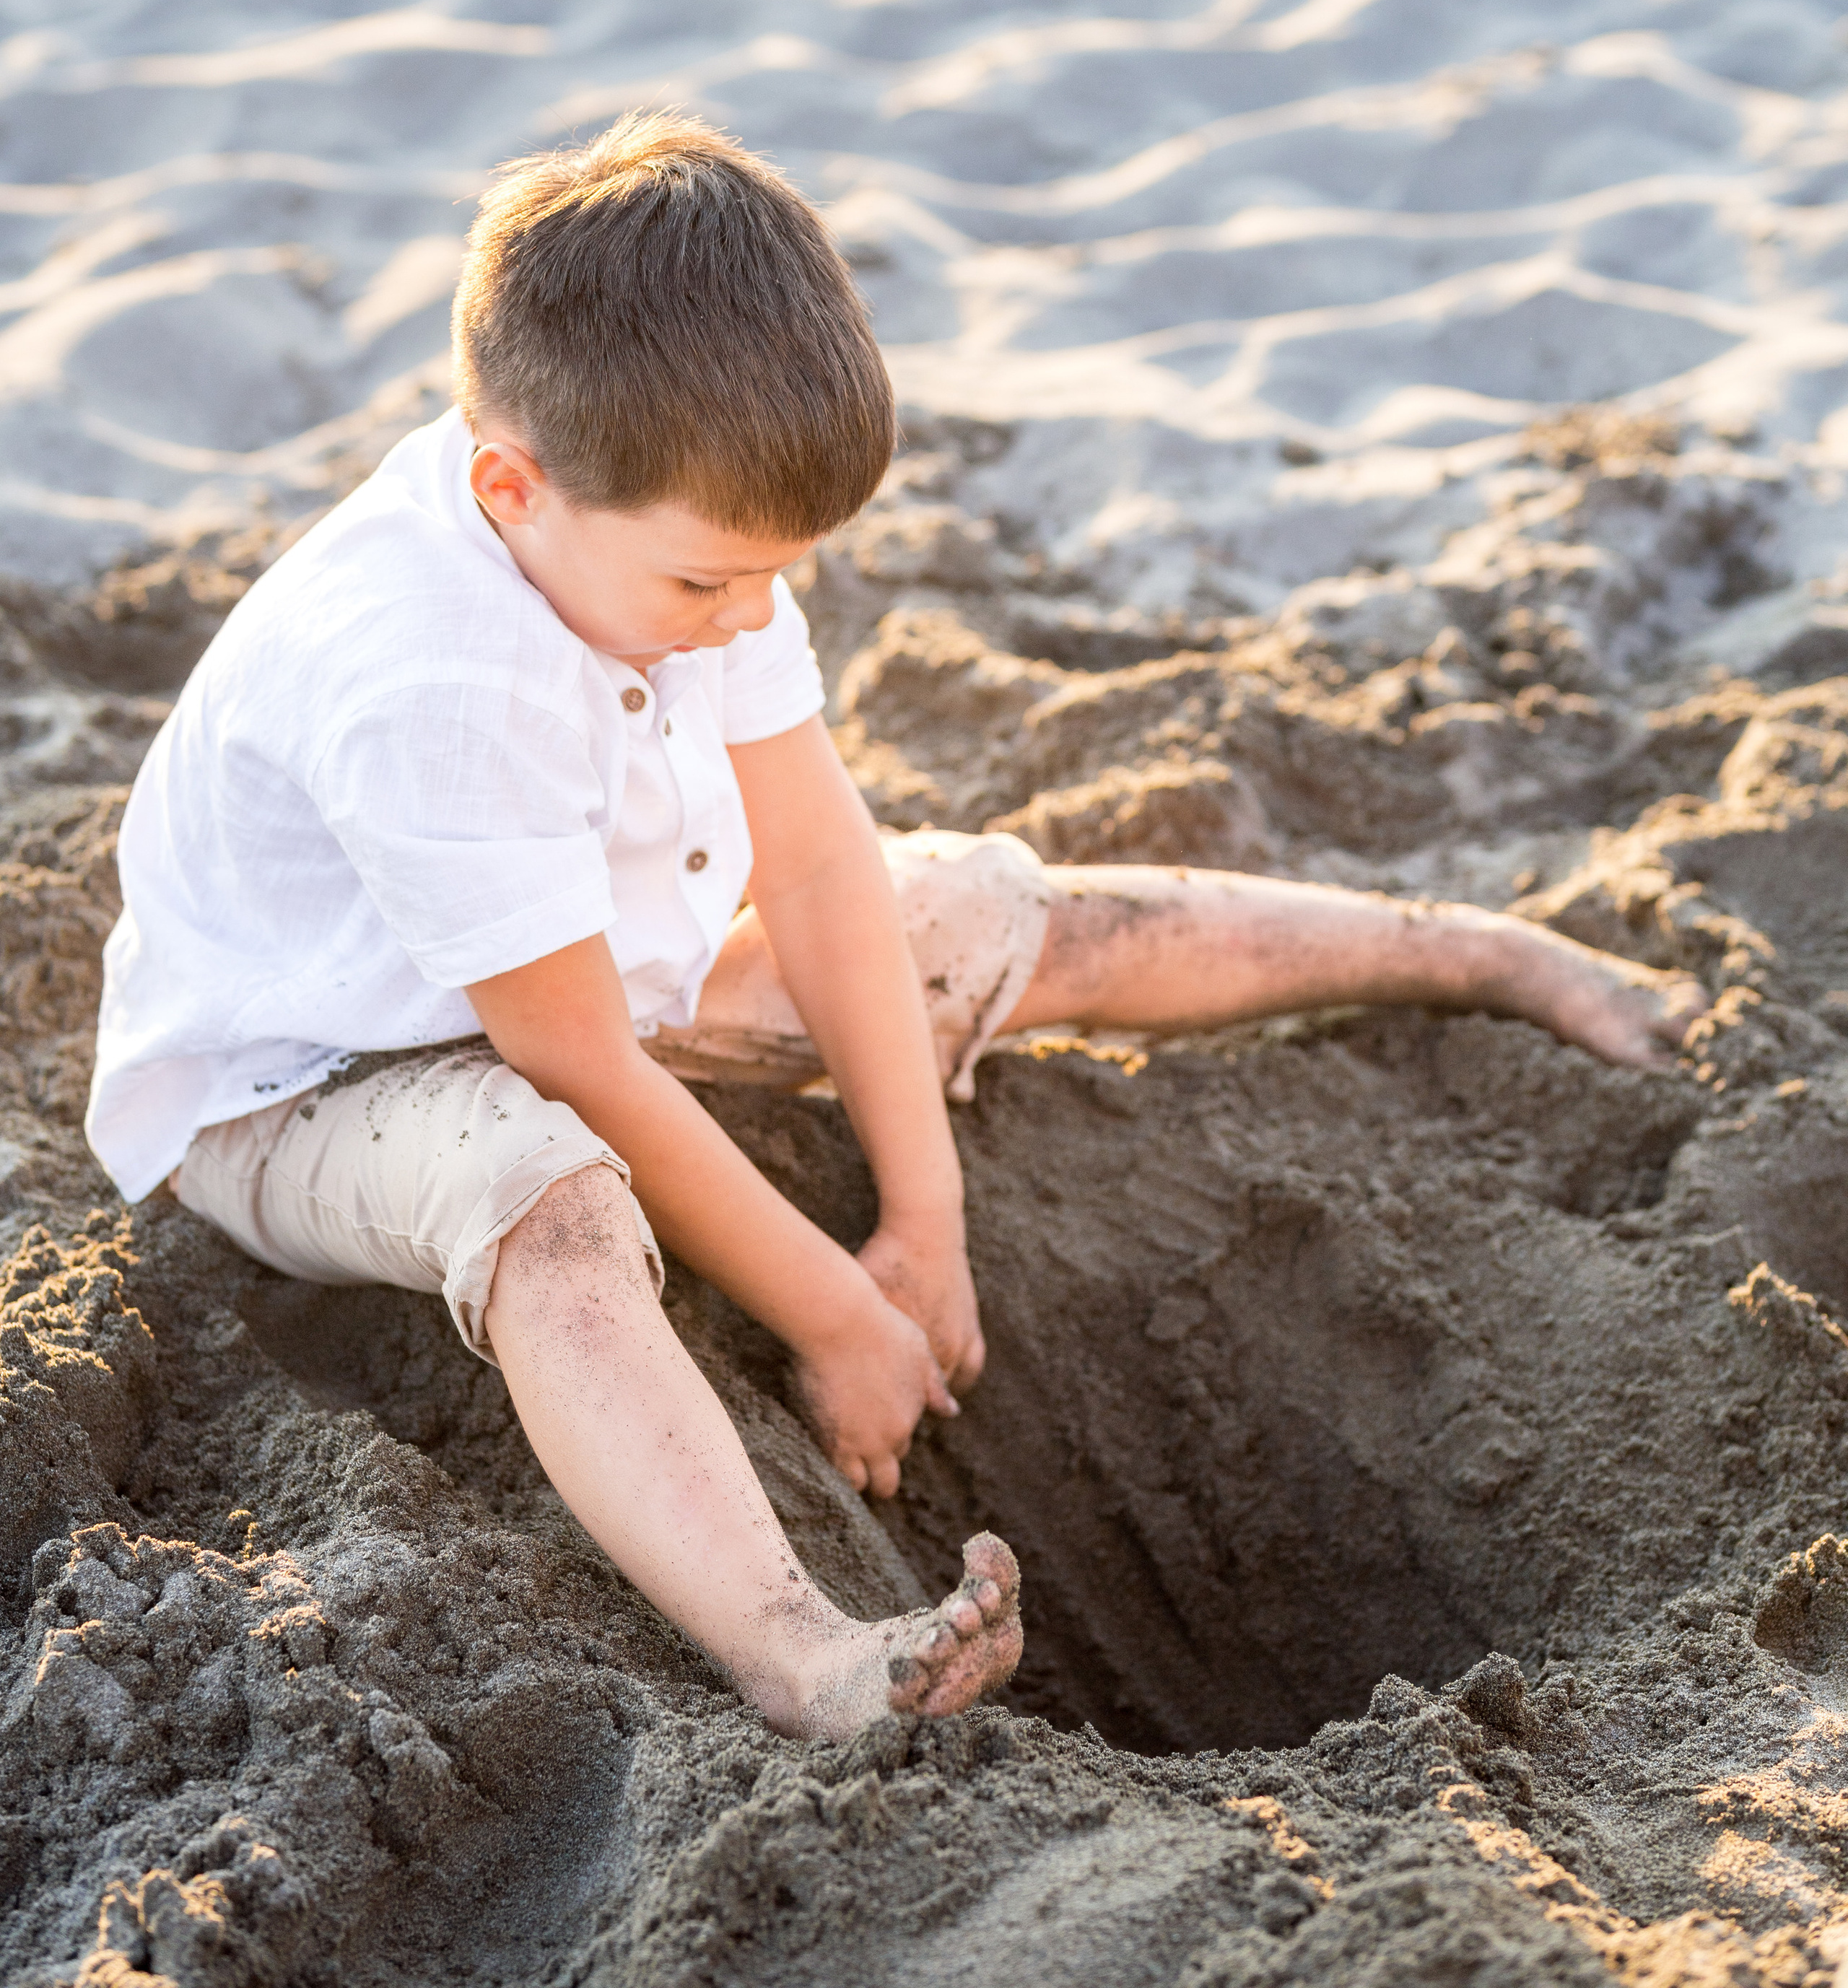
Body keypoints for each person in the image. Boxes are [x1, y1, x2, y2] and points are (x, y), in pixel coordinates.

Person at [87, 115, 1707, 1743]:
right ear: (508, 485)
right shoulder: (430, 680)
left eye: (769, 581)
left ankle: (1480, 952)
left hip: (568, 953)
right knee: (545, 1197)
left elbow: (816, 865)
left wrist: (918, 1217)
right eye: (710, 587)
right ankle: (796, 1653)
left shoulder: (660, 530)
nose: (742, 618)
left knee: (973, 908)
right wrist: (835, 1314)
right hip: (299, 1079)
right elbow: (569, 1062)